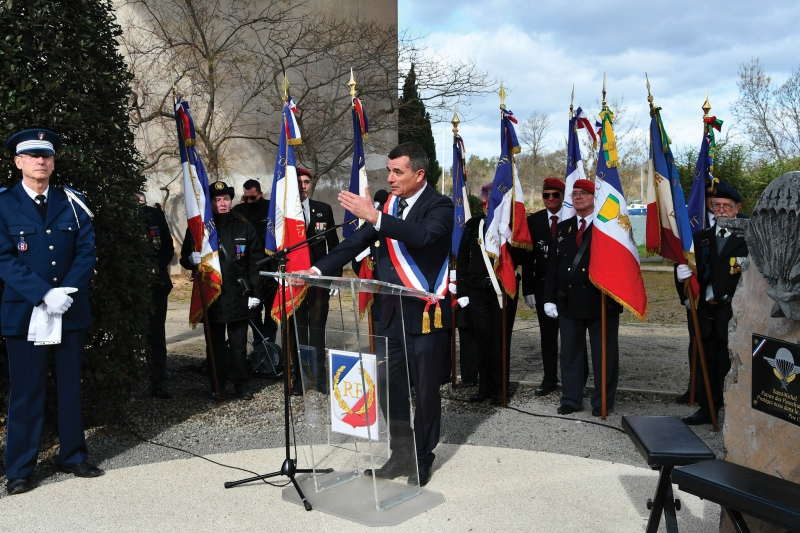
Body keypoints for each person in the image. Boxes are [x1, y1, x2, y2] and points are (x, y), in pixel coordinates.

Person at [294, 142, 453, 487]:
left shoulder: (440, 205)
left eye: (398, 172)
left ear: (419, 174)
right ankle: (400, 453)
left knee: (424, 391)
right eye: (389, 172)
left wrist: (377, 217)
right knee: (387, 386)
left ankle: (423, 456)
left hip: (424, 314)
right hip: (390, 314)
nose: (391, 178)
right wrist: (317, 271)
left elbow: (423, 236)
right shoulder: (388, 205)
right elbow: (353, 245)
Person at [0, 128, 103, 495]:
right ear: (18, 162)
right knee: (26, 391)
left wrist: (66, 293)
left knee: (69, 387)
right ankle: (20, 469)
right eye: (32, 156)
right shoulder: (3, 203)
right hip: (26, 312)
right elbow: (4, 259)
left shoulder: (72, 202)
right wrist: (44, 294)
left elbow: (86, 251)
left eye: (46, 155)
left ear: (53, 161)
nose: (40, 161)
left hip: (69, 309)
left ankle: (74, 455)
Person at [179, 181, 265, 400]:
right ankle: (217, 386)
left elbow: (255, 263)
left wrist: (255, 294)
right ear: (211, 203)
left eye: (226, 199)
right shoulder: (200, 231)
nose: (223, 204)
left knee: (238, 347)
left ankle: (241, 387)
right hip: (212, 296)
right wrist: (190, 259)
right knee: (214, 347)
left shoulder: (244, 227)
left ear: (231, 200)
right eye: (217, 200)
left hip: (238, 294)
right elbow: (185, 258)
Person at [543, 179, 622, 416]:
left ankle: (603, 401)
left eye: (584, 193)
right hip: (570, 301)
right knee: (570, 353)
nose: (578, 197)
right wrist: (549, 298)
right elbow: (554, 267)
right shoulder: (565, 228)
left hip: (601, 302)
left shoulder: (608, 227)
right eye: (574, 193)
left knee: (604, 356)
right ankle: (571, 398)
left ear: (594, 197)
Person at [677, 183, 748, 425]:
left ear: (737, 209)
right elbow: (690, 272)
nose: (721, 210)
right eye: (716, 206)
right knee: (707, 362)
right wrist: (682, 281)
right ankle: (707, 409)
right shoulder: (701, 238)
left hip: (734, 312)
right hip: (706, 311)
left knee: (731, 365)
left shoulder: (748, 238)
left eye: (727, 206)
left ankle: (733, 412)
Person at [455, 182, 520, 406]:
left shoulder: (511, 225)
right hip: (477, 292)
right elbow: (462, 259)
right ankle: (484, 389)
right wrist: (462, 291)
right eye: (485, 202)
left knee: (500, 341)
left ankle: (501, 390)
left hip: (502, 291)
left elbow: (521, 259)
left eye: (491, 203)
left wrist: (510, 238)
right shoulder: (474, 225)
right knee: (481, 341)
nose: (486, 206)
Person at [289, 167, 340, 396]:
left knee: (317, 332)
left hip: (318, 283)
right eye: (299, 182)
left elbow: (334, 246)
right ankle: (300, 380)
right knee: (298, 333)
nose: (303, 186)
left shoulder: (323, 209)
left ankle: (319, 380)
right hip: (295, 282)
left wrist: (335, 278)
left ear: (311, 184)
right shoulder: (286, 213)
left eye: (306, 182)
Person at [521, 177, 565, 397]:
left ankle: (576, 380)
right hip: (543, 287)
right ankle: (549, 379)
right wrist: (527, 289)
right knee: (547, 337)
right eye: (546, 194)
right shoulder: (534, 221)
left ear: (562, 196)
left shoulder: (572, 218)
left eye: (555, 195)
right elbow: (529, 258)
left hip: (567, 288)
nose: (550, 199)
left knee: (571, 337)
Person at [137, 193, 175, 399]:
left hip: (156, 286)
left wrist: (154, 269)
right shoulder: (120, 217)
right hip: (130, 287)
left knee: (156, 336)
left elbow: (167, 248)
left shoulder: (155, 215)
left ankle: (159, 382)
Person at [232, 179, 277, 344]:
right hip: (249, 269)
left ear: (260, 194)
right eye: (246, 198)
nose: (249, 202)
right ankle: (259, 346)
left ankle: (269, 347)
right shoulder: (238, 211)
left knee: (272, 313)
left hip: (270, 268)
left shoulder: (271, 208)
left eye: (253, 198)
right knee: (253, 312)